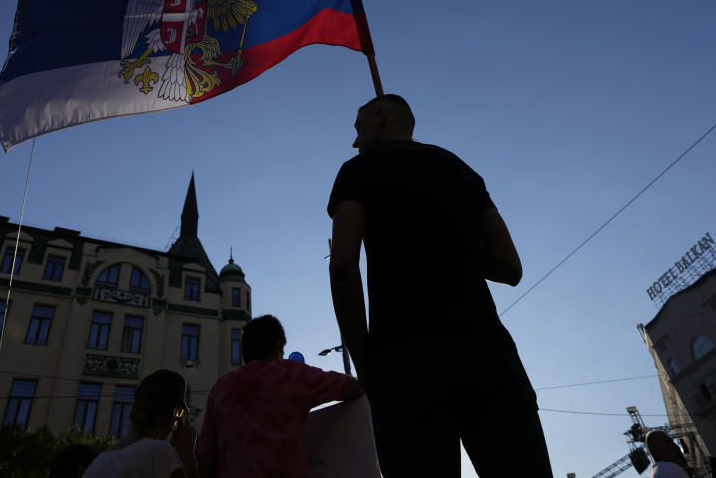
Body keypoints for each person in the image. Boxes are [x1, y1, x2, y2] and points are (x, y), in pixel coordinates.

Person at [327, 94, 553, 478]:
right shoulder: (460, 169)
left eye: (358, 126)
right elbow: (510, 267)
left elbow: (344, 265)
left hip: (405, 369)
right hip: (490, 359)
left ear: (382, 117)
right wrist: (452, 241)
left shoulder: (357, 170)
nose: (354, 140)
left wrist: (365, 360)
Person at [194, 314, 363, 477]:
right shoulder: (291, 375)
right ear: (277, 347)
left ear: (245, 352)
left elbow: (205, 461)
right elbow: (353, 387)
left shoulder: (221, 389)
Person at [84, 370, 198, 478]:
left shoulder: (99, 463)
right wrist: (187, 455)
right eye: (179, 413)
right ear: (170, 415)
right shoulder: (160, 452)